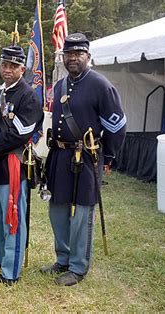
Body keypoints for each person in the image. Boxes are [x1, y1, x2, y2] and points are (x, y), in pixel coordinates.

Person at [42, 33, 126, 286]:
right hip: (59, 155)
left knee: (81, 214)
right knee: (57, 208)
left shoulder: (101, 85)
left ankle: (78, 267)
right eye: (69, 54)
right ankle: (64, 258)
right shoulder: (59, 86)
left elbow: (117, 126)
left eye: (78, 54)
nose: (73, 58)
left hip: (86, 158)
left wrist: (107, 156)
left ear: (88, 56)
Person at [0, 46, 43, 285]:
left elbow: (20, 132)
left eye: (13, 66)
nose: (7, 70)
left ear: (22, 69)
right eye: (4, 65)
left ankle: (10, 272)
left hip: (13, 164)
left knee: (12, 217)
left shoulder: (29, 96)